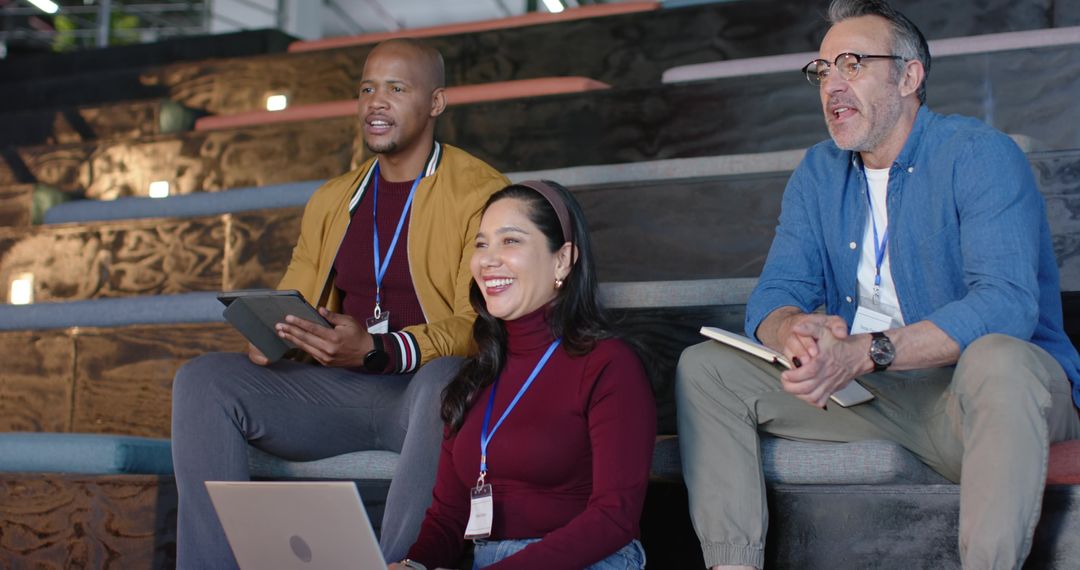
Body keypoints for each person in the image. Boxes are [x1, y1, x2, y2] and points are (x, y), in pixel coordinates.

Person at [675, 1, 1080, 568]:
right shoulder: (819, 171)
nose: (832, 85)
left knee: (998, 357)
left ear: (909, 77)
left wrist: (868, 351)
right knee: (707, 368)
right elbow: (773, 295)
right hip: (878, 396)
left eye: (853, 64)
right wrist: (794, 330)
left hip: (981, 396)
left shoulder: (978, 154)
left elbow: (1006, 306)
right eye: (822, 71)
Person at [170, 38, 509, 569]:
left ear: (436, 103)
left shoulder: (481, 194)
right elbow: (296, 295)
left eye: (396, 89)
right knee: (203, 381)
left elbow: (483, 321)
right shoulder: (333, 199)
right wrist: (275, 335)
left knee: (444, 378)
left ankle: (402, 564)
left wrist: (378, 349)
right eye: (367, 89)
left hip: (422, 397)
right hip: (337, 393)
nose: (377, 102)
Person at [388, 181, 656, 570]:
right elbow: (448, 517)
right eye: (481, 245)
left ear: (562, 260)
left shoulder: (609, 364)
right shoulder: (474, 377)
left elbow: (614, 518)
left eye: (510, 241)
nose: (488, 260)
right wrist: (413, 565)